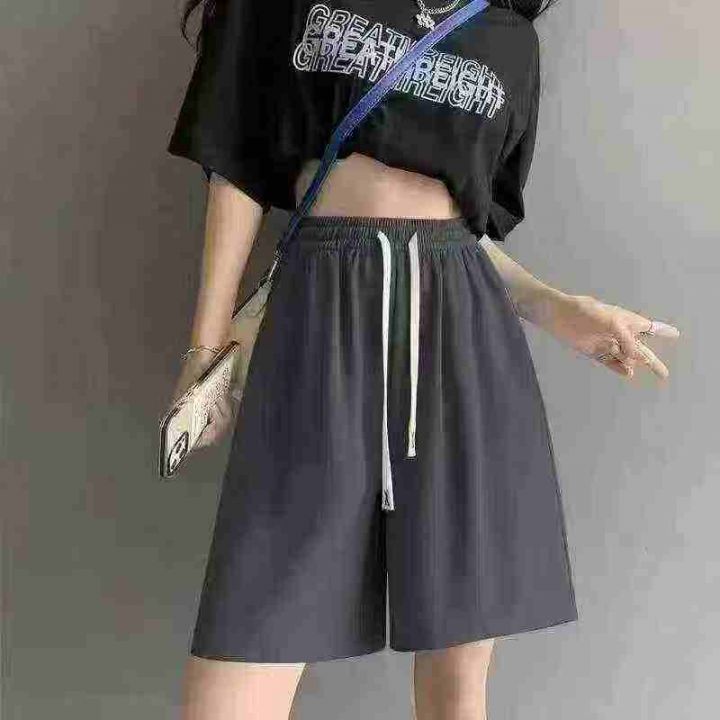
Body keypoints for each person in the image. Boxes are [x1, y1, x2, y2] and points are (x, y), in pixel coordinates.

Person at [163, 1, 680, 718]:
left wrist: (557, 307)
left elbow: (466, 231)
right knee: (243, 652)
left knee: (456, 689)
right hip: (321, 319)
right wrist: (205, 344)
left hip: (462, 336)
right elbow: (237, 165)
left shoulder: (508, 39)